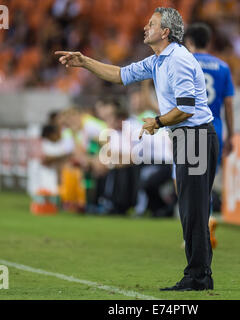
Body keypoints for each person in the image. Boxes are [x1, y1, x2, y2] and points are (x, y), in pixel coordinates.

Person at [55, 7, 218, 291]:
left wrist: (157, 120)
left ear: (165, 32)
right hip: (189, 138)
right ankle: (198, 274)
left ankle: (198, 276)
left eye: (151, 23)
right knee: (192, 209)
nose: (145, 27)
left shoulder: (177, 60)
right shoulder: (158, 61)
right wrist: (84, 62)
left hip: (195, 138)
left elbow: (187, 109)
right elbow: (120, 74)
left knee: (193, 209)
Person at [183, 22, 236, 248]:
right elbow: (229, 104)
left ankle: (193, 232)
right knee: (206, 181)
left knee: (186, 181)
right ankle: (207, 220)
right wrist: (231, 135)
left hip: (190, 125)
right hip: (215, 128)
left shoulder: (185, 62)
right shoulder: (222, 67)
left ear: (190, 42)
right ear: (209, 42)